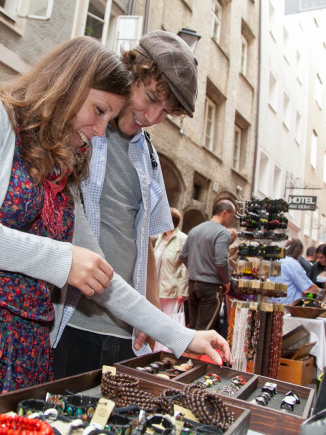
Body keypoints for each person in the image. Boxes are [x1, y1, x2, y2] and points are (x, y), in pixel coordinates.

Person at [0, 37, 231, 414]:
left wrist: (181, 336)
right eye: (99, 110)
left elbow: (99, 274)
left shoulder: (60, 170)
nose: (102, 130)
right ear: (69, 84)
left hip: (23, 357)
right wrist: (59, 258)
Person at [51, 30, 198, 379]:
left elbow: (145, 242)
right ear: (130, 72)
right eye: (150, 98)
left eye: (165, 112)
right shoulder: (82, 126)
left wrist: (149, 313)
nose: (151, 117)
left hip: (124, 331)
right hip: (70, 320)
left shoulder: (148, 157)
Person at [179, 199, 236, 331]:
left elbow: (183, 256)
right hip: (210, 286)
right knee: (203, 331)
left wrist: (195, 269)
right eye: (232, 216)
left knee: (192, 327)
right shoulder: (223, 233)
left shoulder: (195, 230)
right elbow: (221, 261)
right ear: (224, 213)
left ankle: (187, 352)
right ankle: (194, 352)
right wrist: (226, 281)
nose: (232, 220)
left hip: (193, 284)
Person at [154, 208, 189, 315]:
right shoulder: (160, 237)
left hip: (171, 290)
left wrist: (182, 291)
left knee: (167, 321)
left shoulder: (183, 239)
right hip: (155, 288)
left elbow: (186, 267)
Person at [269, 238, 320, 305]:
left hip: (273, 302)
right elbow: (307, 285)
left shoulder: (276, 260)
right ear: (299, 252)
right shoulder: (293, 264)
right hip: (287, 303)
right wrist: (323, 292)